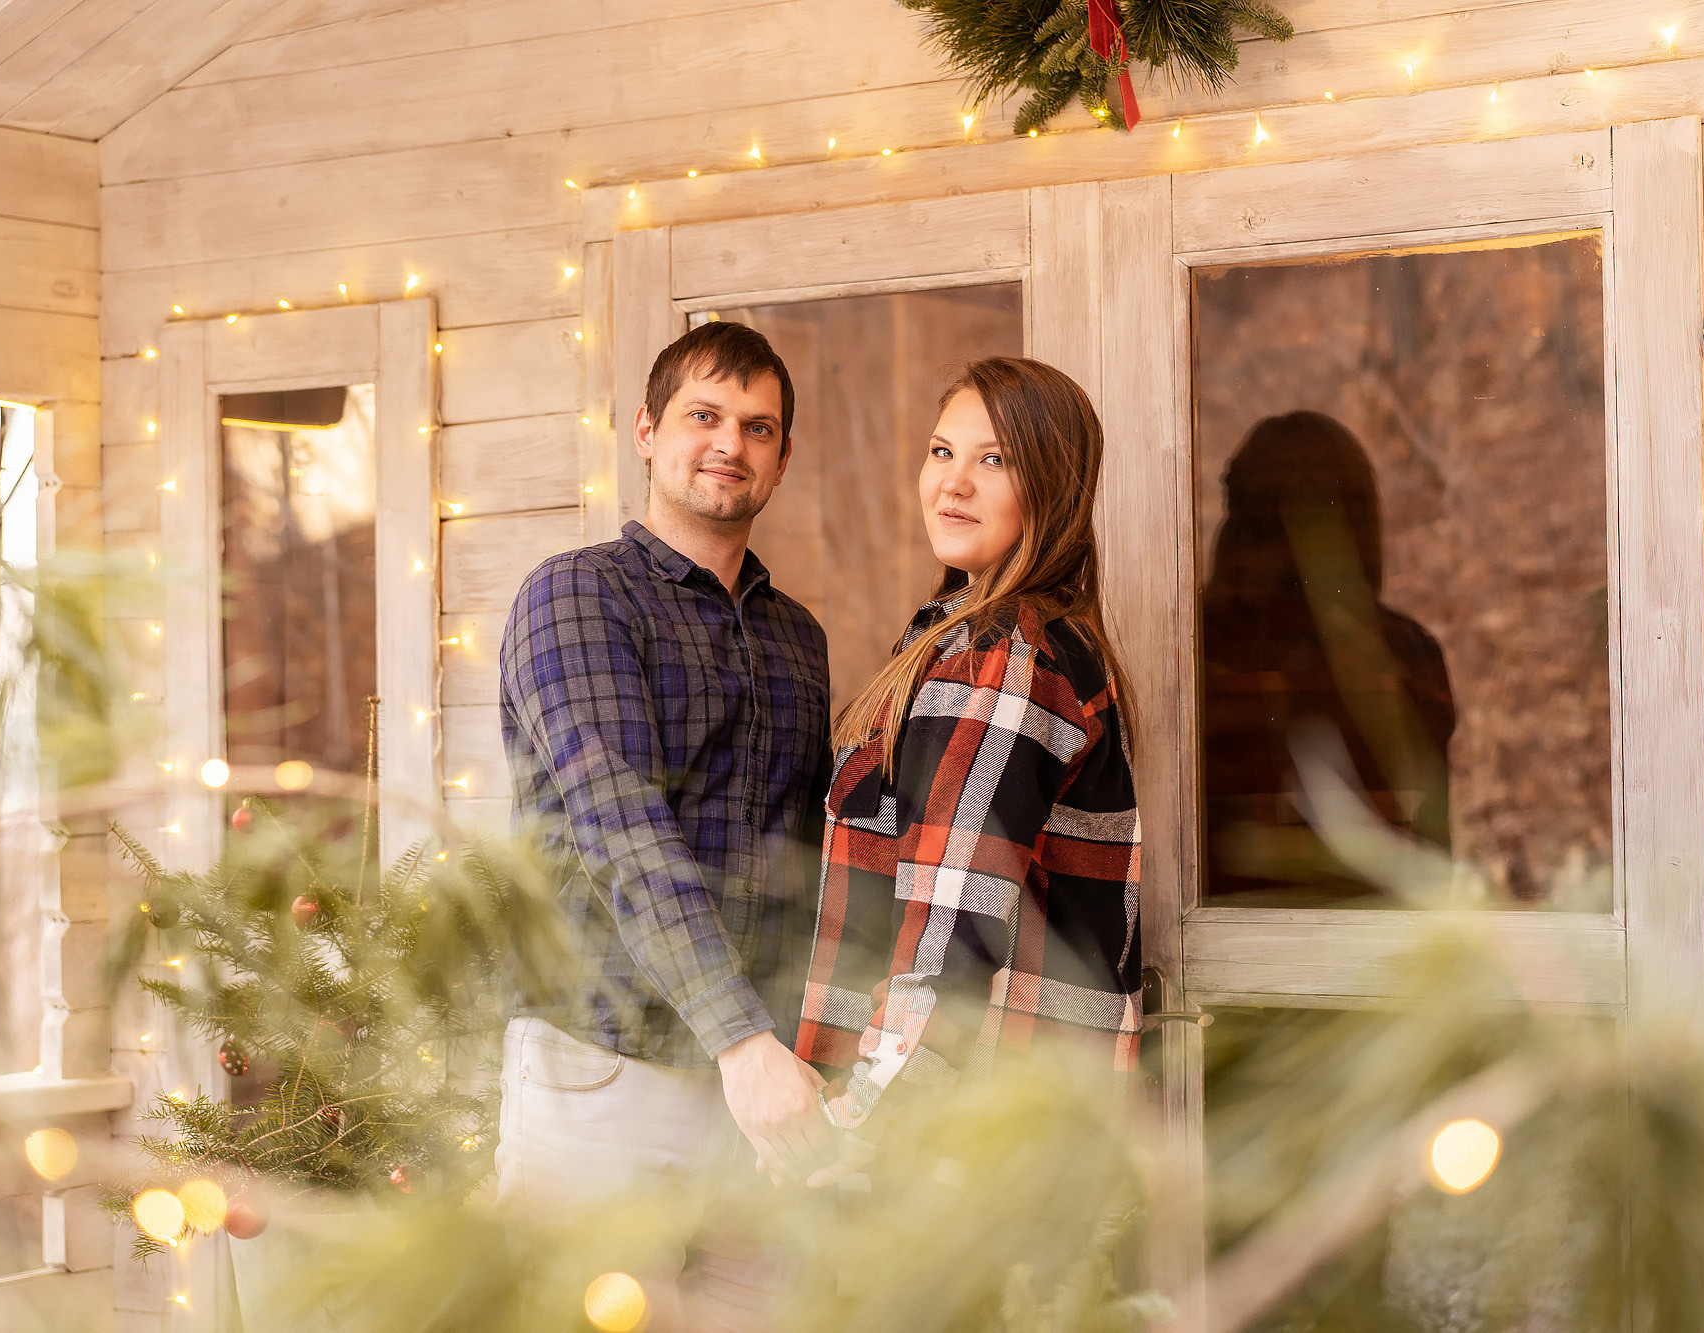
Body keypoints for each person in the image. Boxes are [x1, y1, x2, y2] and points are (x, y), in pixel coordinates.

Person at [495, 320, 834, 1329]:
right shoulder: (577, 595)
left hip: (760, 1084)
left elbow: (806, 859)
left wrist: (789, 1049)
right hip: (608, 1064)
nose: (729, 442)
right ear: (645, 431)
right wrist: (743, 1043)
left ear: (779, 457)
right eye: (702, 415)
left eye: (757, 426)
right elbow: (620, 830)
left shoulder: (796, 637)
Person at [796, 357, 1142, 1149]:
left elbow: (951, 938)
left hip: (957, 1145)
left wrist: (855, 1131)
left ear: (1050, 487)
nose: (952, 484)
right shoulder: (968, 636)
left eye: (994, 460)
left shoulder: (1009, 652)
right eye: (942, 451)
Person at [1200, 410, 1455, 901]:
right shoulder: (1408, 654)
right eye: (1245, 506)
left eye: (1254, 511)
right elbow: (1431, 857)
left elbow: (1426, 848)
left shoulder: (1189, 656)